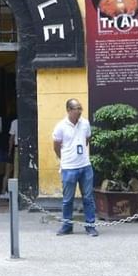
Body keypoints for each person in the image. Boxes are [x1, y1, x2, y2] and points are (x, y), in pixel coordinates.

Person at [52, 98, 98, 237]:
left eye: (80, 108)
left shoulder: (85, 123)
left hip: (85, 166)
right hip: (69, 167)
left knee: (88, 198)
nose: (79, 111)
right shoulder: (61, 126)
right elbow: (56, 145)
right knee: (67, 199)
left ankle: (90, 226)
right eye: (76, 108)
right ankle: (67, 226)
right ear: (69, 110)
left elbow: (87, 139)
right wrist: (65, 158)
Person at [0, 116, 18, 199]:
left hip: (14, 149)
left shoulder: (14, 122)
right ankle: (15, 192)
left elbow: (11, 138)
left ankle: (4, 191)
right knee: (16, 172)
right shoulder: (16, 122)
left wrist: (10, 152)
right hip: (16, 149)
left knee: (8, 172)